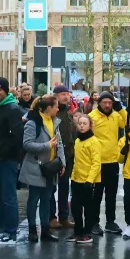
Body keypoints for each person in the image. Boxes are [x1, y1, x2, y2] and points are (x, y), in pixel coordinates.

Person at [0, 77, 25, 245]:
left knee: (8, 196)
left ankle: (11, 231)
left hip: (6, 159)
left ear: (6, 90)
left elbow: (17, 136)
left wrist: (3, 153)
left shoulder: (12, 108)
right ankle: (0, 227)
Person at [21, 94, 64, 243]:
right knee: (34, 199)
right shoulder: (33, 123)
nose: (58, 109)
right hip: (36, 166)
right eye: (56, 106)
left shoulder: (54, 122)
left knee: (47, 198)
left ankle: (45, 230)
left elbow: (59, 144)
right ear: (47, 109)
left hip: (50, 167)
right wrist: (47, 145)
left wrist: (62, 162)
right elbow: (27, 144)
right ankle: (32, 230)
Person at [90, 91, 127, 234]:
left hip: (112, 160)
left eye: (110, 103)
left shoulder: (116, 116)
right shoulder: (92, 117)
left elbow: (127, 122)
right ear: (99, 102)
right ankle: (94, 222)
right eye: (104, 102)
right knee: (97, 195)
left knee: (111, 194)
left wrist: (121, 108)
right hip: (98, 162)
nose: (107, 105)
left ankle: (110, 222)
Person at [69, 113, 100, 244]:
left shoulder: (94, 142)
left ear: (90, 125)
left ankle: (87, 233)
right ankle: (77, 231)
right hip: (77, 179)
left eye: (85, 124)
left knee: (88, 208)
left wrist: (90, 180)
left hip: (88, 180)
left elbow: (96, 163)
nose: (81, 126)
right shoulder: (77, 140)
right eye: (80, 123)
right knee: (75, 207)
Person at [52, 85, 77, 228]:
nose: (66, 96)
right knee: (51, 188)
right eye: (62, 94)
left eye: (67, 94)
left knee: (64, 186)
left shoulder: (68, 112)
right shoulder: (53, 112)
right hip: (54, 154)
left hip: (68, 154)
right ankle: (51, 217)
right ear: (56, 96)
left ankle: (63, 216)